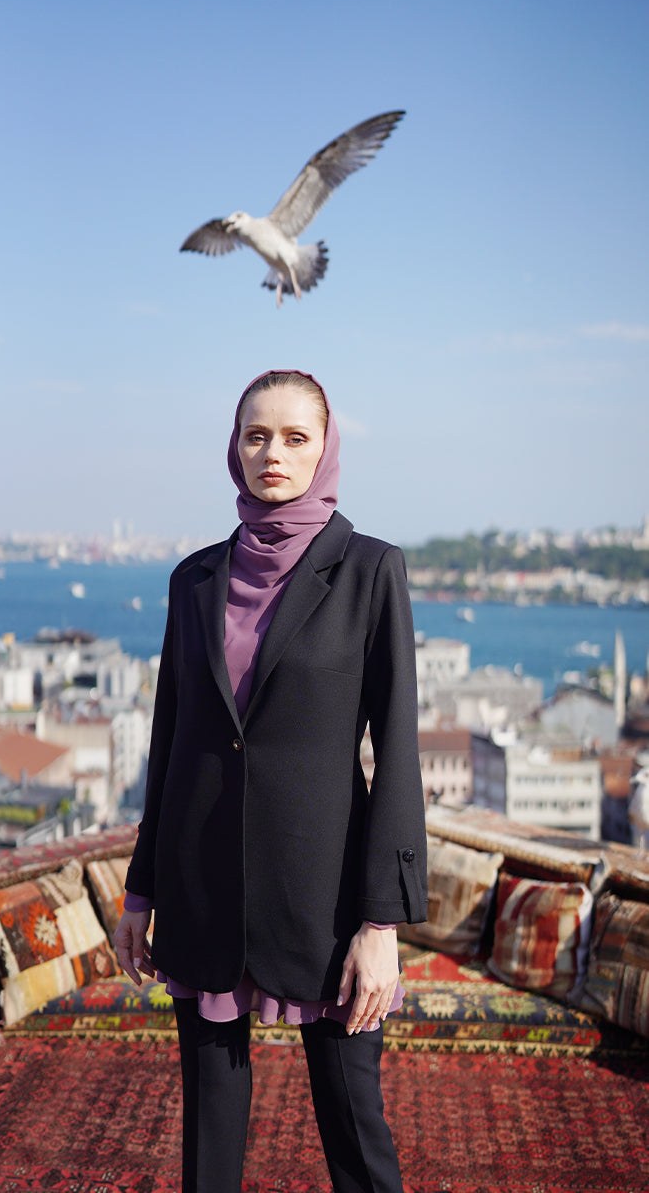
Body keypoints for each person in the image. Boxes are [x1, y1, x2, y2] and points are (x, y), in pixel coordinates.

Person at [114, 369, 427, 1193]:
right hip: (201, 887)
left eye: (295, 437)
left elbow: (397, 753)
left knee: (356, 1128)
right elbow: (170, 741)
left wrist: (382, 924)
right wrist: (140, 892)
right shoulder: (193, 579)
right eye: (257, 435)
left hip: (323, 900)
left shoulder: (370, 571)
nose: (273, 454)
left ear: (326, 449)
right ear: (233, 447)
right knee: (209, 1142)